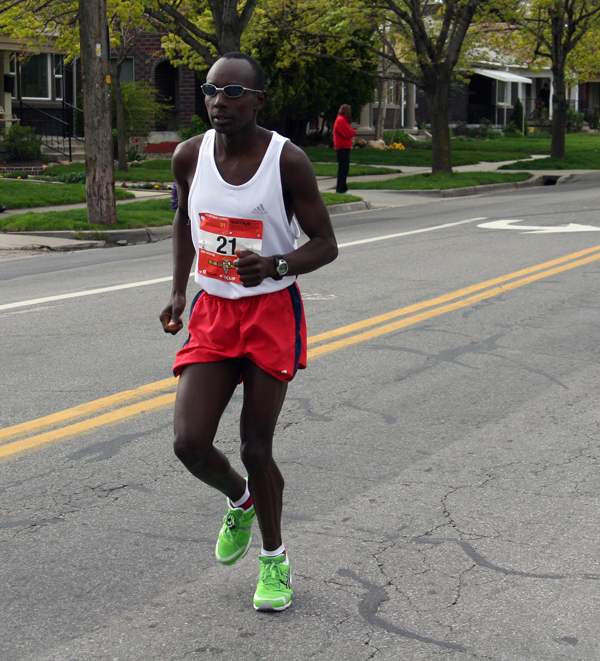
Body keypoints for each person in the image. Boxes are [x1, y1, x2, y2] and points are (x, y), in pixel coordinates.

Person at [159, 52, 338, 612]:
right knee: (189, 443)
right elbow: (184, 219)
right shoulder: (189, 155)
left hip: (269, 312)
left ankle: (274, 559)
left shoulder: (287, 161)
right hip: (214, 311)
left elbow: (326, 244)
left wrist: (278, 265)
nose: (220, 101)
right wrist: (178, 289)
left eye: (233, 92)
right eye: (212, 90)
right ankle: (239, 500)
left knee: (256, 447)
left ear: (259, 100)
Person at [333, 104, 356, 194]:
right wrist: (353, 131)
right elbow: (347, 133)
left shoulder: (343, 120)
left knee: (344, 168)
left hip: (344, 146)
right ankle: (340, 188)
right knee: (343, 168)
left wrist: (351, 131)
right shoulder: (341, 120)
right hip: (342, 147)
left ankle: (343, 187)